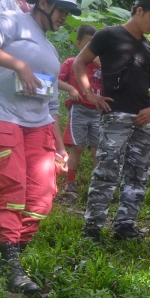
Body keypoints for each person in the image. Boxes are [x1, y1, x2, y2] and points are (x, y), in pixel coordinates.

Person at [0, 0, 80, 295]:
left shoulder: (50, 50)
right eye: (61, 10)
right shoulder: (13, 21)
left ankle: (14, 253)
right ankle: (11, 264)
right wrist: (17, 65)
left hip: (38, 126)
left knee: (42, 196)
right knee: (12, 188)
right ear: (43, 2)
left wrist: (60, 146)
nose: (63, 17)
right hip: (2, 116)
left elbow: (50, 104)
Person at [77, 0, 150, 243]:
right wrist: (90, 95)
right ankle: (92, 227)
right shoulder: (108, 35)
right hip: (115, 115)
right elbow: (79, 62)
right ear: (138, 10)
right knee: (107, 169)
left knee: (138, 172)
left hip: (142, 119)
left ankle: (125, 225)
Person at [58, 24, 103, 202]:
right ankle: (70, 182)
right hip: (79, 109)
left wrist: (104, 66)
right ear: (78, 44)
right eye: (87, 44)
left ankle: (97, 186)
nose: (92, 48)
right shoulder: (71, 63)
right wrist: (70, 88)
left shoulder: (101, 65)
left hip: (98, 112)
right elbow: (56, 80)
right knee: (77, 147)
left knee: (97, 150)